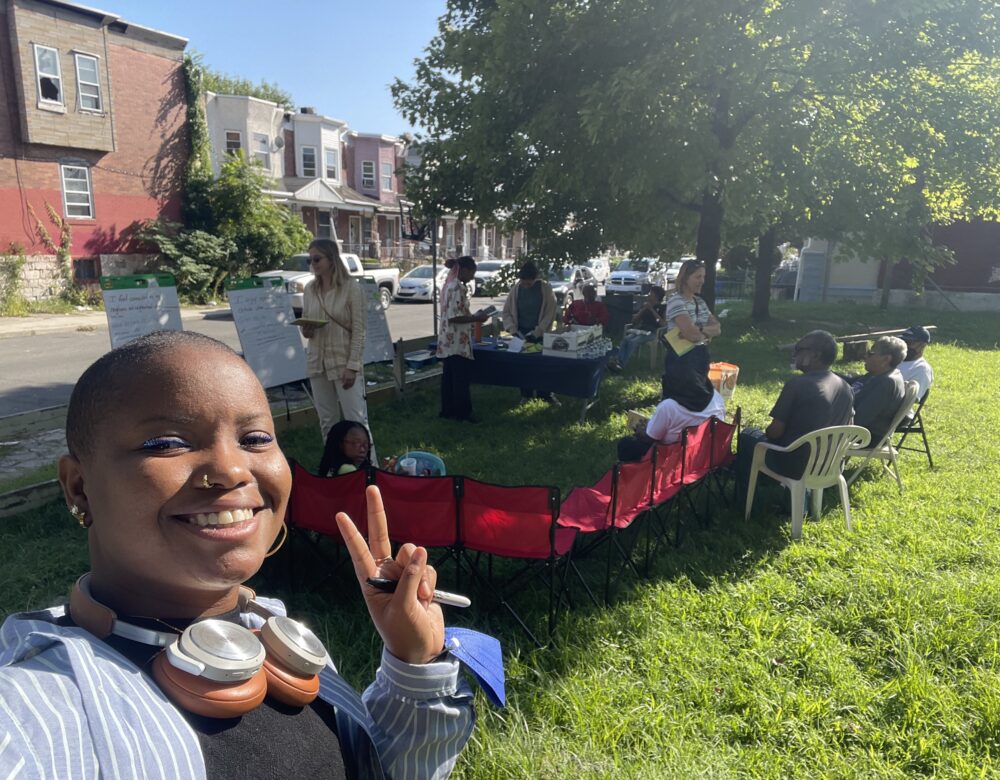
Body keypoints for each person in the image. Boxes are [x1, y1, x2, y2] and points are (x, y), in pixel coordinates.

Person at [0, 331, 492, 779]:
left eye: (255, 438)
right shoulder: (30, 709)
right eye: (167, 443)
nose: (233, 469)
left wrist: (413, 664)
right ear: (80, 487)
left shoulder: (276, 637)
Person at [736, 330, 854, 493]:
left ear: (815, 355)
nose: (794, 354)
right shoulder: (845, 387)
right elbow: (849, 425)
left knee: (747, 436)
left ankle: (744, 495)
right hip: (830, 465)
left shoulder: (798, 384)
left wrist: (768, 433)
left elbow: (775, 432)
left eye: (799, 349)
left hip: (795, 466)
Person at [297, 238, 374, 459]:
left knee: (357, 421)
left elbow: (359, 330)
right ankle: (335, 471)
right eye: (310, 259)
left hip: (343, 363)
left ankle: (369, 471)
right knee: (327, 423)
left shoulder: (351, 288)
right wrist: (307, 329)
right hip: (317, 362)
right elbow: (307, 328)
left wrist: (352, 366)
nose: (313, 263)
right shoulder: (311, 289)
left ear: (332, 259)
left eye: (317, 258)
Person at [617, 367, 726, 461]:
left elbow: (650, 438)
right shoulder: (716, 397)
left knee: (625, 444)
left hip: (675, 458)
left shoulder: (669, 406)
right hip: (707, 454)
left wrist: (641, 431)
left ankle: (633, 476)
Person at [437, 255, 490, 422]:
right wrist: (476, 318)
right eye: (472, 273)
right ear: (465, 270)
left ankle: (448, 411)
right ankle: (463, 414)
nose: (473, 277)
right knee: (460, 379)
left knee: (449, 378)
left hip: (448, 339)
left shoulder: (449, 285)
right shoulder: (456, 287)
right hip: (456, 340)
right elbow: (455, 316)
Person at [501, 260, 558, 402]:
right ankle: (525, 394)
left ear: (535, 279)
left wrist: (537, 333)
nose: (525, 285)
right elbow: (507, 312)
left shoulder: (546, 289)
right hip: (520, 333)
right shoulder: (516, 289)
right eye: (523, 282)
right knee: (523, 365)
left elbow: (549, 315)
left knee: (543, 365)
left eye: (528, 283)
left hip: (539, 333)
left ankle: (545, 394)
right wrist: (512, 329)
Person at [842, 335, 907, 445]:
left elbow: (860, 419)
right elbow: (850, 381)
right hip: (856, 429)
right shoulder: (876, 374)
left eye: (871, 353)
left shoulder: (886, 383)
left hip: (866, 436)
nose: (865, 356)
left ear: (886, 359)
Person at [662, 259, 722, 377]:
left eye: (703, 277)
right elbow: (693, 336)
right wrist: (704, 334)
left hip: (700, 359)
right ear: (685, 278)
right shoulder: (676, 301)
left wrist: (699, 330)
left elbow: (718, 329)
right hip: (681, 362)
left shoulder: (700, 302)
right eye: (698, 277)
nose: (702, 281)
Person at [607, 286, 665, 372]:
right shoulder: (645, 306)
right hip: (641, 330)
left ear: (656, 296)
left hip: (653, 332)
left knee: (633, 341)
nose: (649, 296)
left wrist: (652, 309)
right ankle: (617, 361)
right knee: (626, 339)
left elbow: (662, 323)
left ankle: (621, 364)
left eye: (651, 294)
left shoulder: (661, 307)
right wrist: (643, 309)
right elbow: (634, 321)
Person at [897, 325, 934, 400]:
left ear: (922, 345)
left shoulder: (922, 369)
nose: (904, 345)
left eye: (909, 342)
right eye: (903, 341)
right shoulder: (896, 358)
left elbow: (910, 400)